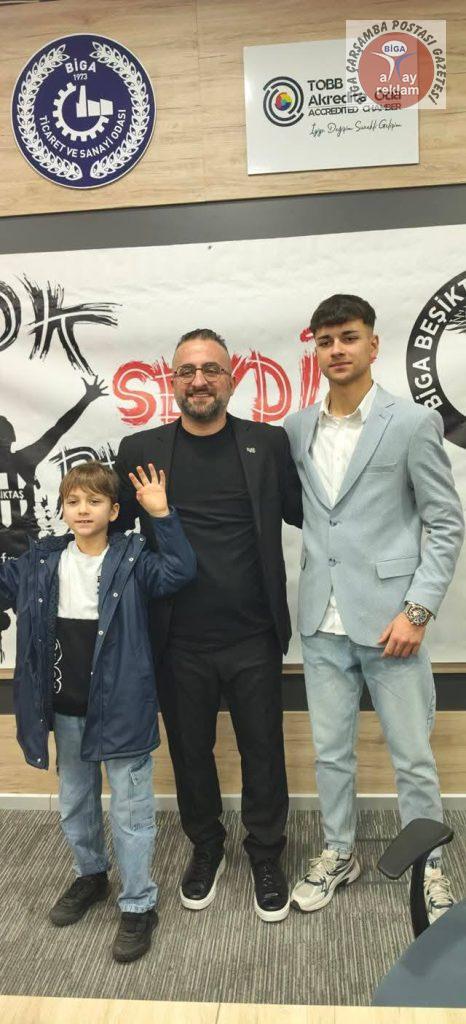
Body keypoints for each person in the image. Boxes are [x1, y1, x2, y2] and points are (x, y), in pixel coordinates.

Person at [285, 294, 464, 922]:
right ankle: (339, 852)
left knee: (411, 755)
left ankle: (428, 866)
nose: (337, 349)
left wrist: (417, 611)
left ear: (373, 344)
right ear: (315, 348)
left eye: (349, 337)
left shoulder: (412, 422)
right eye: (326, 340)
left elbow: (446, 523)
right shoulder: (297, 428)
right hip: (321, 621)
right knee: (330, 752)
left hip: (393, 623)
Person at [115, 328, 303, 922]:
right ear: (172, 380)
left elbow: (311, 514)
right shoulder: (140, 448)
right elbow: (112, 537)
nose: (199, 381)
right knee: (190, 751)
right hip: (176, 639)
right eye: (187, 371)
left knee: (263, 750)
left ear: (232, 378)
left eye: (211, 370)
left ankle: (266, 853)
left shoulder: (267, 443)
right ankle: (207, 847)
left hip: (253, 633)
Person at [0, 460, 196, 962]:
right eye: (73, 501)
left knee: (130, 812)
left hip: (122, 707)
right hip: (65, 709)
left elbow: (179, 572)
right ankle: (91, 875)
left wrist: (162, 515)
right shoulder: (42, 560)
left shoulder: (133, 558)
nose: (82, 509)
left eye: (94, 501)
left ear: (113, 510)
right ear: (62, 510)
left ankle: (138, 904)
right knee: (75, 802)